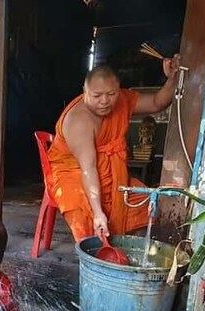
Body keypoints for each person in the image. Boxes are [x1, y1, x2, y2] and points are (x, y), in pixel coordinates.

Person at [47, 56, 182, 240]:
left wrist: (172, 79)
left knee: (144, 201)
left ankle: (124, 249)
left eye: (111, 94)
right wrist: (97, 213)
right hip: (74, 174)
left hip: (110, 173)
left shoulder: (122, 101)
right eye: (96, 95)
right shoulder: (78, 121)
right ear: (84, 92)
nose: (105, 101)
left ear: (118, 90)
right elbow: (88, 169)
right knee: (81, 210)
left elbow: (158, 102)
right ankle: (93, 256)